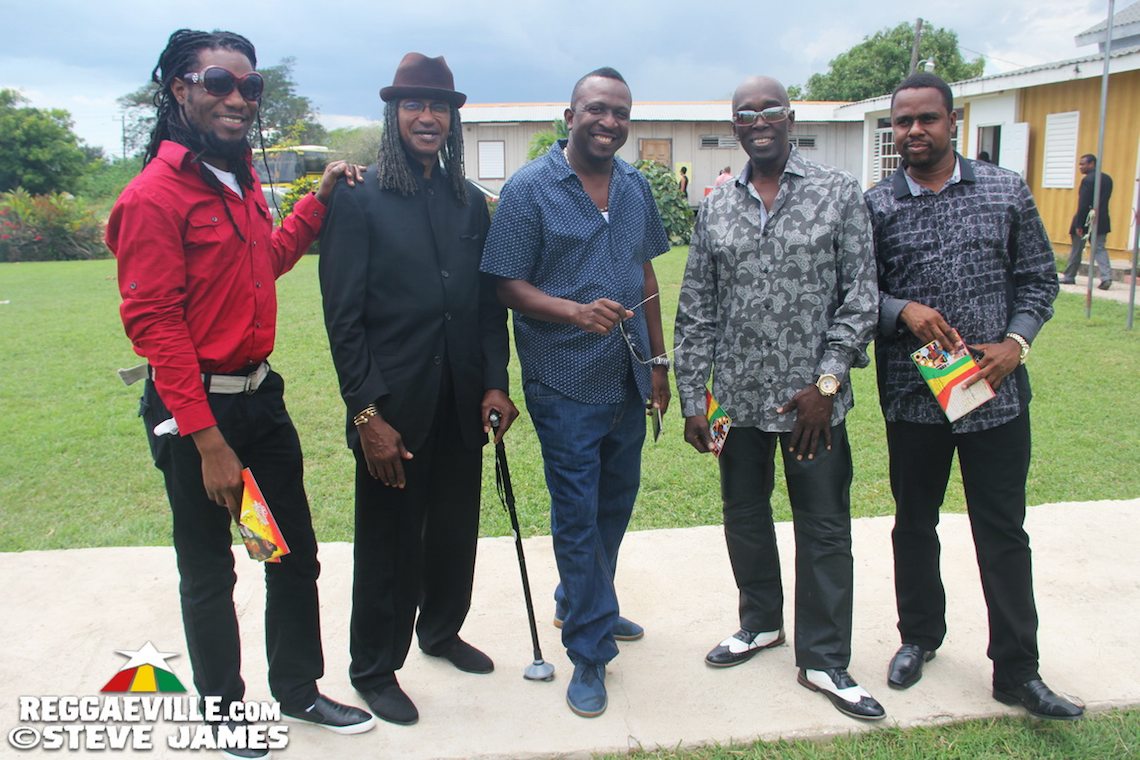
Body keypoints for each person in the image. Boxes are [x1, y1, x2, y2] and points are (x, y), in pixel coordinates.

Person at [106, 28, 375, 757]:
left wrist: (313, 206)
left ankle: (297, 691)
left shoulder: (239, 182)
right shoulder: (155, 196)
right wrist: (209, 444)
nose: (237, 98)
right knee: (211, 569)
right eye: (219, 82)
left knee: (285, 552)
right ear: (179, 89)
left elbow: (267, 263)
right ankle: (224, 710)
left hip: (260, 402)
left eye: (249, 87)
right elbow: (156, 327)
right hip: (197, 415)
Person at [865, 72, 1083, 721]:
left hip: (994, 395)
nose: (914, 131)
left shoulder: (1004, 190)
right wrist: (900, 309)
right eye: (902, 121)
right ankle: (918, 637)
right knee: (915, 523)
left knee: (1002, 530)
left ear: (953, 121)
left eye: (926, 119)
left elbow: (1039, 279)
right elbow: (850, 294)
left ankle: (1018, 669)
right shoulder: (875, 206)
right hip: (914, 396)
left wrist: (1017, 343)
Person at [674, 76, 884, 722]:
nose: (758, 120)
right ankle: (760, 621)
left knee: (822, 528)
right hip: (737, 400)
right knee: (744, 514)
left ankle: (823, 658)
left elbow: (861, 296)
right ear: (735, 125)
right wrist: (692, 398)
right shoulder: (715, 207)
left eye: (770, 110)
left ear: (791, 119)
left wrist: (828, 382)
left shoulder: (836, 193)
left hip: (810, 407)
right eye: (746, 113)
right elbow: (697, 308)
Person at [318, 52, 517, 727]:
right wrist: (366, 413)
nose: (427, 116)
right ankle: (374, 667)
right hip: (392, 411)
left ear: (453, 119)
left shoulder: (470, 203)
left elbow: (490, 306)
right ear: (393, 114)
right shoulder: (357, 197)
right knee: (388, 545)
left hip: (461, 401)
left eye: (438, 106)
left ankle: (440, 631)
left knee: (455, 533)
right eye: (414, 104)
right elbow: (343, 321)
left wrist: (496, 382)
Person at [480, 66, 670, 719]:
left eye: (620, 112)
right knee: (577, 511)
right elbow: (505, 284)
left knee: (616, 501)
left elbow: (645, 273)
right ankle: (588, 653)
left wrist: (660, 362)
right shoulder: (529, 190)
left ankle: (588, 602)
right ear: (570, 115)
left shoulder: (636, 186)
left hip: (626, 373)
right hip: (563, 379)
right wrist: (572, 311)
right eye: (597, 109)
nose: (609, 122)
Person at [1060, 153, 1113, 289]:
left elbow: (1083, 203)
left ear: (1092, 164)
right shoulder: (1107, 179)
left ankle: (1069, 276)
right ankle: (1106, 277)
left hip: (1086, 219)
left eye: (1083, 164)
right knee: (1099, 248)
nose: (1080, 167)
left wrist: (1079, 224)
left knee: (1077, 248)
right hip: (1102, 219)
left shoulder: (1088, 180)